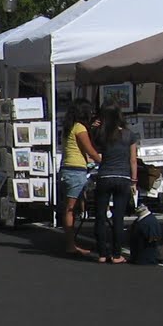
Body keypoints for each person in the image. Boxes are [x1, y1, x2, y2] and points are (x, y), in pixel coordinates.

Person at [94, 105, 137, 264]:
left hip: (104, 175)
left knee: (100, 215)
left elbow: (93, 149)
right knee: (119, 217)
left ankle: (102, 253)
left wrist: (94, 127)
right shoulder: (129, 135)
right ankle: (116, 254)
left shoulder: (102, 134)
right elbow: (133, 160)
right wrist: (134, 180)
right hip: (123, 177)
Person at [59, 100, 100, 258]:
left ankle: (72, 243)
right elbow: (90, 150)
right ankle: (70, 245)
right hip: (76, 170)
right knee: (70, 209)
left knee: (70, 208)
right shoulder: (80, 128)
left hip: (67, 168)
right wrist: (104, 162)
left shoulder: (69, 128)